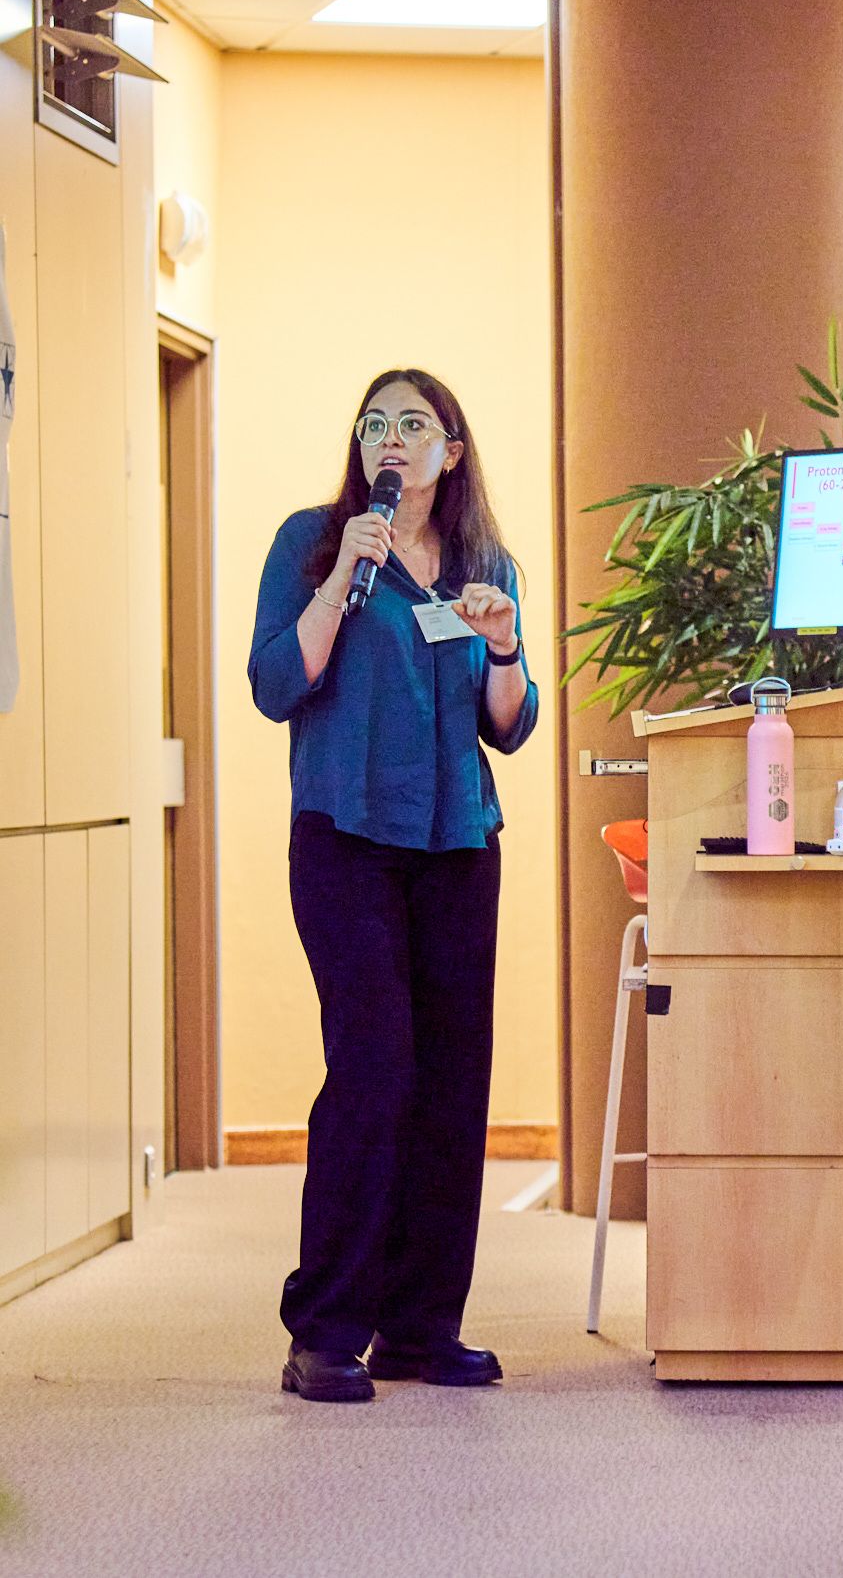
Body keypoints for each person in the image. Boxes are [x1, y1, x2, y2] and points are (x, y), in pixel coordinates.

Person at [248, 367, 538, 1403]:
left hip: (458, 843)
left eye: (415, 424)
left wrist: (504, 645)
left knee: (453, 1084)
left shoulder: (482, 562)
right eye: (376, 424)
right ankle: (325, 1329)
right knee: (373, 1070)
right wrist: (337, 585)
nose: (393, 439)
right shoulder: (313, 542)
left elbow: (508, 723)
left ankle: (421, 1327)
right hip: (346, 840)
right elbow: (277, 683)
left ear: (451, 452)